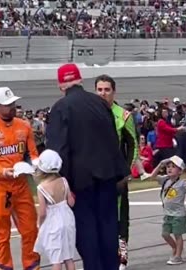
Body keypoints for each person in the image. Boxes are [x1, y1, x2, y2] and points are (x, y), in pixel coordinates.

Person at [46, 64, 128, 270]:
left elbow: (58, 151)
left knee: (86, 232)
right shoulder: (100, 103)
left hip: (80, 181)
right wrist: (119, 173)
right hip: (107, 176)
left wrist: (61, 185)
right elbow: (113, 139)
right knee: (109, 228)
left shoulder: (60, 108)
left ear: (60, 85)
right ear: (80, 80)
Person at [0, 86, 41, 270]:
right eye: (7, 105)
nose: (12, 107)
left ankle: (32, 266)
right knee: (1, 234)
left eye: (13, 103)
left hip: (21, 185)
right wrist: (3, 172)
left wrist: (36, 165)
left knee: (30, 230)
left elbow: (32, 154)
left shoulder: (24, 126)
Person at [94, 74, 148, 270]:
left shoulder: (123, 115)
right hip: (94, 177)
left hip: (116, 177)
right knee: (97, 217)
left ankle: (122, 256)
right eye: (99, 89)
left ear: (113, 91)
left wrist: (126, 173)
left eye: (106, 89)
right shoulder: (90, 113)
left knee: (119, 216)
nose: (103, 93)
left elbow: (133, 144)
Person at [147, 155, 186, 265]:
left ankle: (178, 256)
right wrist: (160, 164)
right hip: (167, 214)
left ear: (180, 171)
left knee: (178, 235)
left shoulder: (182, 183)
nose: (169, 168)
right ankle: (175, 248)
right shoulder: (165, 180)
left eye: (173, 167)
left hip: (179, 214)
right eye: (168, 166)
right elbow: (152, 176)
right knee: (165, 234)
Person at [33, 149, 76, 270]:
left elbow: (42, 212)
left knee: (56, 260)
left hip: (53, 224)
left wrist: (39, 224)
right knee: (69, 258)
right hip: (68, 220)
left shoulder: (41, 188)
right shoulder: (64, 181)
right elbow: (71, 203)